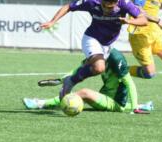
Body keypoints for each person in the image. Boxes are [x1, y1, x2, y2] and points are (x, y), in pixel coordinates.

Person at [41, 0, 147, 98]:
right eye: (104, 6)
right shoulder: (92, 1)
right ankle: (70, 81)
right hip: (91, 38)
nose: (106, 10)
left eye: (110, 7)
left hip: (107, 45)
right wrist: (52, 21)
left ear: (116, 3)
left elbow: (143, 20)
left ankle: (68, 81)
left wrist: (129, 21)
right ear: (100, 1)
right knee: (99, 68)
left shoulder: (124, 3)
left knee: (88, 67)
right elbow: (68, 7)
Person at [23, 48, 153, 113]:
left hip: (117, 102)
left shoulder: (116, 58)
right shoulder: (95, 53)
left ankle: (41, 104)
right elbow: (78, 70)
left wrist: (134, 108)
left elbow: (129, 83)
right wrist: (61, 80)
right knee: (80, 93)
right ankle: (142, 105)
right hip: (106, 96)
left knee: (84, 93)